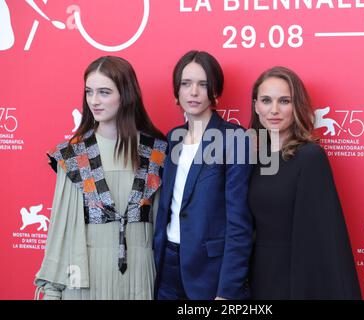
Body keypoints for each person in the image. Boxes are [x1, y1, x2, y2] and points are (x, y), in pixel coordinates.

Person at [34, 56, 167, 300]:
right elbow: (61, 231)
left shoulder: (157, 152)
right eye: (89, 92)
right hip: (84, 278)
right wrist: (53, 290)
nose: (94, 101)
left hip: (140, 277)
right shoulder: (72, 154)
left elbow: (162, 227)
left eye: (104, 92)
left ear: (125, 94)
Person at [248, 66, 361, 299]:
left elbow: (324, 238)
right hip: (252, 277)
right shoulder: (250, 156)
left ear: (296, 105)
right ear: (256, 106)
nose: (274, 110)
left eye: (284, 101)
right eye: (266, 100)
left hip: (293, 279)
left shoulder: (310, 157)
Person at [153, 50, 253, 300]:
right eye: (186, 84)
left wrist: (227, 290)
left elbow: (238, 223)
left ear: (215, 91)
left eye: (203, 84)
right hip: (166, 264)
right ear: (177, 91)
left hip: (210, 271)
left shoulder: (234, 139)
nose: (194, 92)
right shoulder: (172, 138)